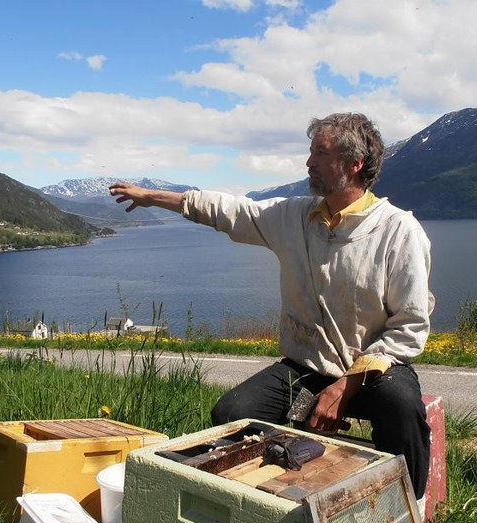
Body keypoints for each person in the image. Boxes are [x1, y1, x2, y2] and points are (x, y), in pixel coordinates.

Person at [110, 112, 434, 498]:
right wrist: (153, 198)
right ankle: (282, 490)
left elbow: (409, 327)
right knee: (232, 415)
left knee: (401, 407)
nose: (308, 162)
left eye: (320, 152)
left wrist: (346, 386)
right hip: (308, 368)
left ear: (353, 164)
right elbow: (231, 210)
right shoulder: (297, 216)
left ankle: (409, 509)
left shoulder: (398, 231)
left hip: (373, 374)